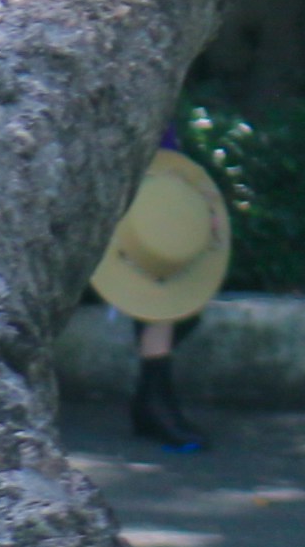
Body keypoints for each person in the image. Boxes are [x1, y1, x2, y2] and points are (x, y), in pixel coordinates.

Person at [94, 139, 230, 453]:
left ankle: (152, 399)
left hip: (148, 172)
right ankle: (152, 402)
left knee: (166, 256)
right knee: (153, 261)